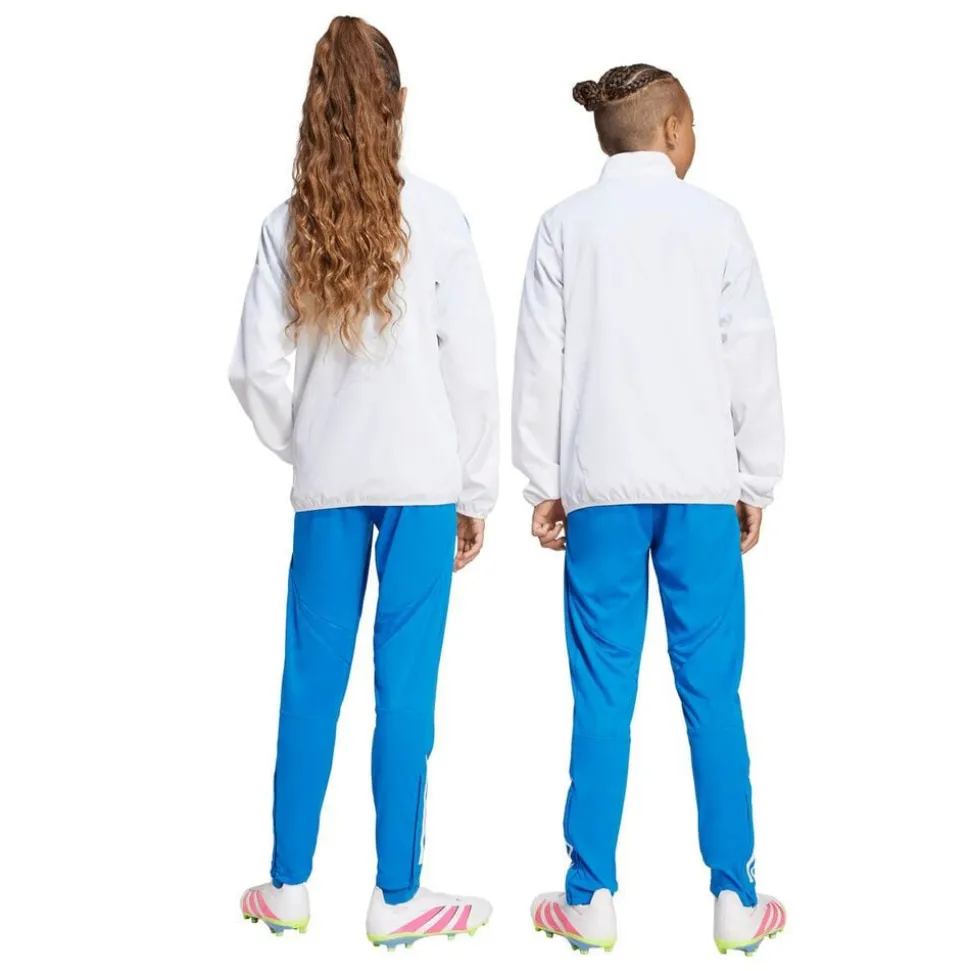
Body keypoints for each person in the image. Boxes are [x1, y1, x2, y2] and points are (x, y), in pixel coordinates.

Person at [230, 16, 497, 949]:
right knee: (405, 686)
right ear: (400, 104)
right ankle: (397, 894)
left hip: (329, 486)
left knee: (311, 679)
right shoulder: (441, 215)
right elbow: (471, 367)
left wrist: (307, 442)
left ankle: (288, 882)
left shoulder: (286, 225)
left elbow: (253, 372)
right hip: (423, 481)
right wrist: (476, 490)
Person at [513, 64, 786, 956]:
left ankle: (588, 894)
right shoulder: (717, 223)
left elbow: (541, 364)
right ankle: (736, 895)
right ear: (671, 130)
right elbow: (750, 356)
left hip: (600, 489)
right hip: (703, 491)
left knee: (603, 691)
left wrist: (543, 481)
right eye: (693, 125)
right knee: (712, 693)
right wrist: (756, 481)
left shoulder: (563, 226)